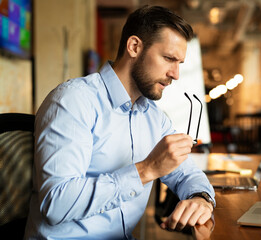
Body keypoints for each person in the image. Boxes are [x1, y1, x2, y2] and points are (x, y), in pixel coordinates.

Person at [24, 5, 215, 240]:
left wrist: (201, 199)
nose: (175, 74)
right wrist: (147, 169)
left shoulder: (154, 118)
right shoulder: (73, 100)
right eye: (168, 58)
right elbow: (56, 204)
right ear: (134, 47)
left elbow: (188, 174)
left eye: (179, 63)